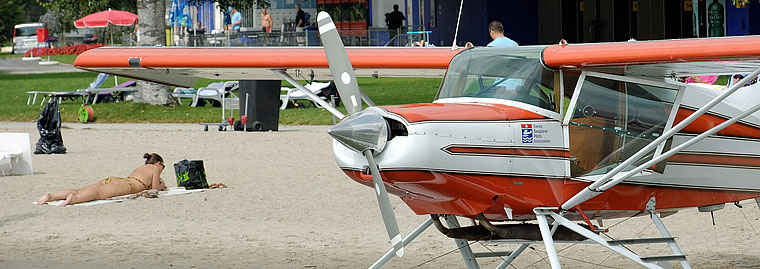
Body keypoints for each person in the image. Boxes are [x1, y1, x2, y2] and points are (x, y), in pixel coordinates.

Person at [37, 153, 168, 206]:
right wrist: (161, 185)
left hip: (117, 179)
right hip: (127, 185)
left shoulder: (141, 167)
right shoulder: (155, 169)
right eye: (163, 165)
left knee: (81, 189)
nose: (162, 168)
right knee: (98, 194)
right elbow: (155, 189)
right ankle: (74, 200)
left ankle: (52, 196)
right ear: (158, 162)